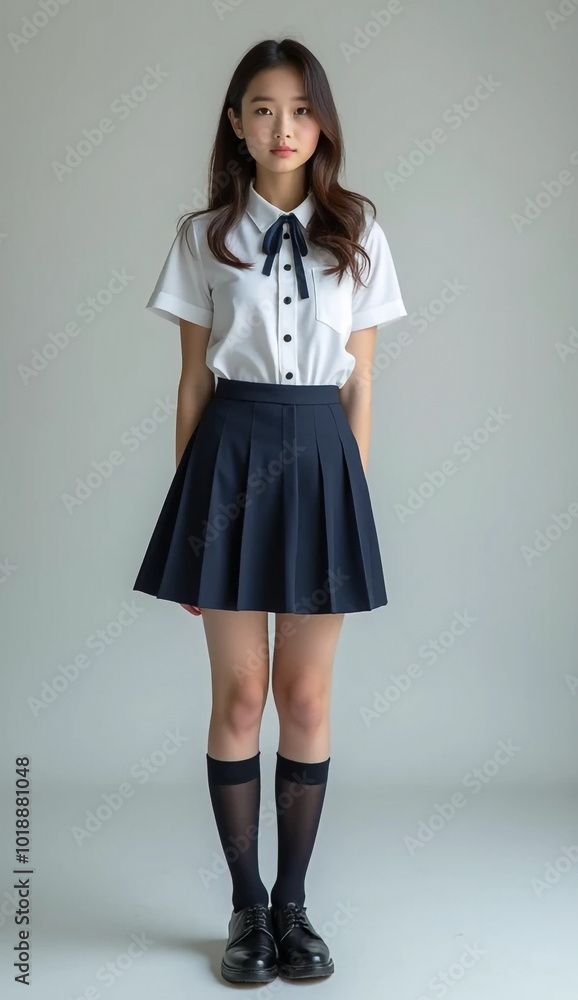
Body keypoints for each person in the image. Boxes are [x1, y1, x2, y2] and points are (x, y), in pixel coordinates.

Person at [133, 37, 407, 984]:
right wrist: (193, 533)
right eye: (261, 108)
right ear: (236, 124)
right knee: (242, 697)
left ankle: (295, 907)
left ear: (321, 121)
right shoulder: (202, 235)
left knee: (305, 698)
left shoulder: (361, 233)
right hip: (231, 460)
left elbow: (363, 389)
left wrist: (353, 506)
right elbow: (189, 389)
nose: (282, 127)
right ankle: (245, 908)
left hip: (324, 461)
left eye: (299, 109)